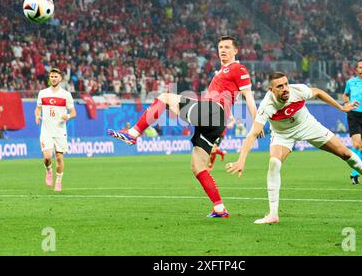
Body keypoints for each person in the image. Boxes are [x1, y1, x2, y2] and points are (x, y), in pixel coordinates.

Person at [107, 36, 259, 218]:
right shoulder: (221, 72)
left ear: (236, 51)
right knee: (198, 166)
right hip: (215, 122)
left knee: (164, 97)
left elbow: (248, 97)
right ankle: (219, 208)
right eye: (220, 47)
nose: (223, 50)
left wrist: (257, 124)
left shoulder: (237, 68)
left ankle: (133, 133)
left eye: (227, 47)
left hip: (213, 112)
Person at [226, 72, 362, 224]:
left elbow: (318, 92)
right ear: (271, 90)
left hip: (308, 125)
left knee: (345, 153)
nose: (285, 89)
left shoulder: (297, 90)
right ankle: (273, 214)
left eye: (286, 84)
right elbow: (252, 134)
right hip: (283, 135)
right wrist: (241, 160)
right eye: (280, 86)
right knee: (274, 163)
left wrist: (341, 108)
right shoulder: (266, 105)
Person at [35, 68, 76, 192]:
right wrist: (37, 115)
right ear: (49, 78)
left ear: (60, 78)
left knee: (59, 157)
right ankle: (48, 170)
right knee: (47, 157)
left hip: (59, 131)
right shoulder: (42, 93)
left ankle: (58, 181)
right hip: (46, 130)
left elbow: (73, 112)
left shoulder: (66, 95)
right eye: (51, 76)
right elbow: (38, 108)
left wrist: (67, 116)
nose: (53, 78)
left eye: (55, 76)